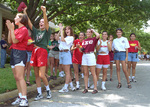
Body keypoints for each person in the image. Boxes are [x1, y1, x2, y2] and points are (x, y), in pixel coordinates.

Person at [24, 6, 52, 100]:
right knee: (36, 75)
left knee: (41, 75)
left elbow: (46, 22)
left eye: (43, 22)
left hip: (42, 52)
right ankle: (39, 93)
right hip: (35, 52)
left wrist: (44, 12)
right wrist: (24, 12)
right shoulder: (36, 31)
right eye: (40, 22)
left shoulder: (47, 32)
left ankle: (48, 90)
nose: (41, 23)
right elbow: (29, 22)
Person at [6, 13, 28, 106]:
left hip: (20, 53)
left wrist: (11, 29)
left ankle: (24, 98)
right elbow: (10, 41)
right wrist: (10, 30)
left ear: (21, 19)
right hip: (14, 53)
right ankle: (20, 96)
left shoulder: (24, 29)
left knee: (20, 77)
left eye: (16, 17)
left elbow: (15, 41)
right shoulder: (17, 29)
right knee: (16, 77)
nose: (14, 18)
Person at [80, 28, 100, 94]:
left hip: (91, 55)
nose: (88, 33)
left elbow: (98, 35)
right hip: (84, 55)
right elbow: (82, 49)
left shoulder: (94, 39)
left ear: (91, 33)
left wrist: (93, 30)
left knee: (93, 72)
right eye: (87, 32)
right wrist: (79, 48)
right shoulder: (84, 41)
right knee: (85, 73)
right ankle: (86, 88)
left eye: (89, 32)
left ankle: (95, 88)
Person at [57, 23, 76, 93]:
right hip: (61, 53)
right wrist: (60, 30)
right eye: (66, 29)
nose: (67, 30)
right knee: (66, 71)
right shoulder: (65, 37)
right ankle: (71, 86)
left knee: (67, 72)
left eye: (68, 29)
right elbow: (57, 38)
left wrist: (61, 31)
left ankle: (65, 87)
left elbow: (62, 39)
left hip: (66, 53)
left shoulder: (71, 38)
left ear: (71, 31)